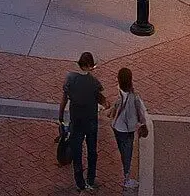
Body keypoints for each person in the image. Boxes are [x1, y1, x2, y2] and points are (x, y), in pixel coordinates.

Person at [59, 52, 107, 194]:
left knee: (77, 153)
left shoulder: (70, 79)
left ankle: (80, 182)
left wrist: (60, 117)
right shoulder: (93, 82)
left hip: (76, 122)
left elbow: (64, 100)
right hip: (91, 122)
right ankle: (90, 180)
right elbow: (102, 99)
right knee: (92, 152)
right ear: (88, 65)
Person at [108, 67, 149, 191]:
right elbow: (142, 113)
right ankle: (126, 178)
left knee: (122, 151)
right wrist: (143, 125)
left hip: (116, 127)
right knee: (127, 154)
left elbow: (116, 104)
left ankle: (126, 175)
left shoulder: (120, 92)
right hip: (127, 130)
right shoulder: (135, 97)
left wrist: (111, 112)